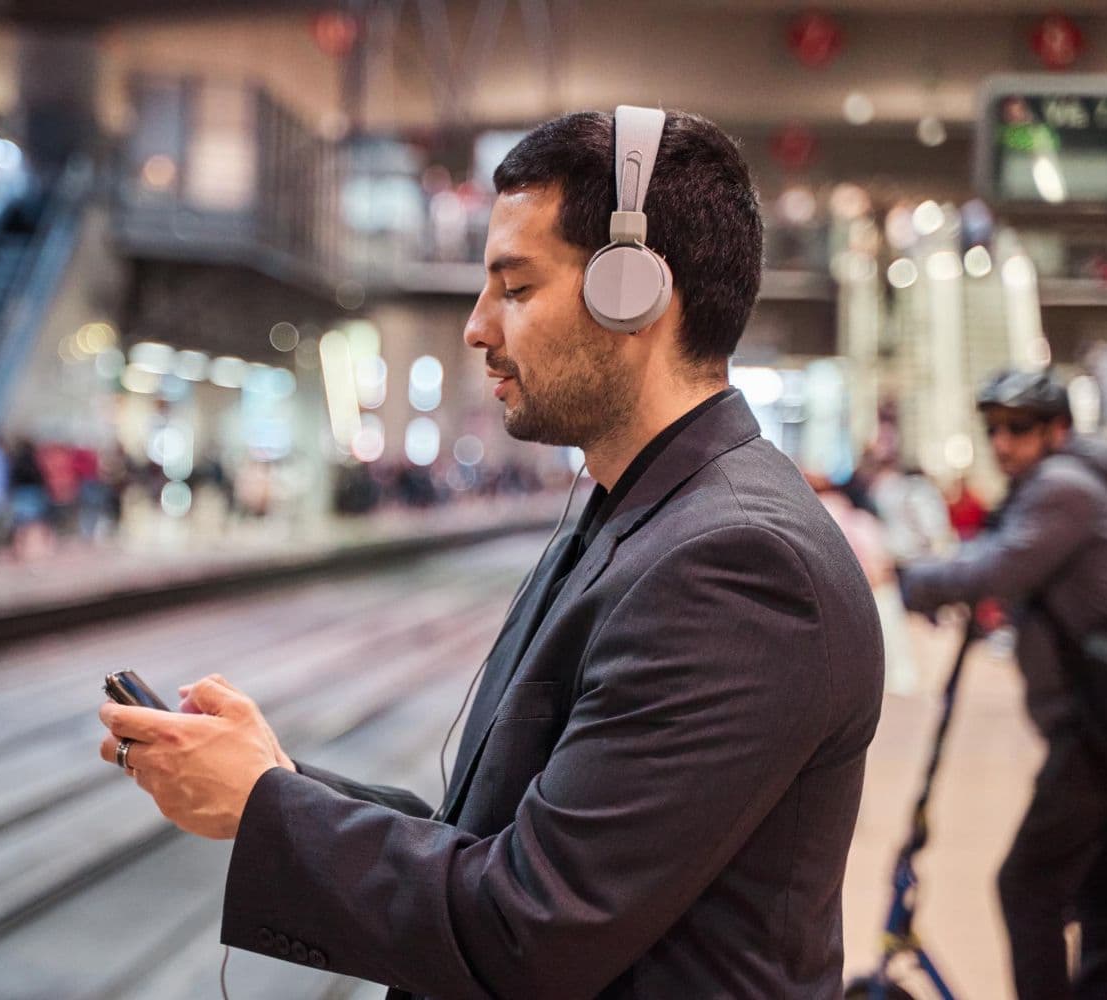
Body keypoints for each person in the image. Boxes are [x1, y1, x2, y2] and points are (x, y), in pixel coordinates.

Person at [97, 107, 884, 998]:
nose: (478, 328)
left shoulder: (738, 566)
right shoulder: (637, 511)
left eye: (515, 288)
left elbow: (532, 925)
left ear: (634, 292)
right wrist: (276, 781)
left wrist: (264, 811)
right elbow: (502, 836)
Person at [897, 370, 1107, 1000]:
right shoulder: (1055, 485)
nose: (1002, 443)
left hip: (1104, 719)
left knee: (1027, 885)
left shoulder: (1062, 487)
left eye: (1018, 429)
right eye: (994, 430)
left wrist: (916, 581)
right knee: (1104, 882)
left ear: (1057, 431)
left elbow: (1001, 565)